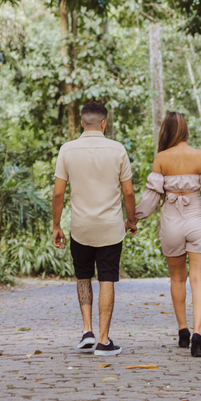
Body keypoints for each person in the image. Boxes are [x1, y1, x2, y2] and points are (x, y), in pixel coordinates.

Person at [135, 111, 201, 357]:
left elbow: (151, 196)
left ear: (165, 131)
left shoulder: (161, 159)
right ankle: (198, 333)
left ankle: (183, 330)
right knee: (199, 281)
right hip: (197, 219)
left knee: (178, 279)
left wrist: (134, 217)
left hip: (172, 222)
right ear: (185, 130)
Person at [52, 101, 136, 356]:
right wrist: (131, 220)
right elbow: (129, 191)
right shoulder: (117, 149)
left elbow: (58, 194)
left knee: (83, 276)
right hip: (110, 227)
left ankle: (87, 331)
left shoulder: (67, 150)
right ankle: (103, 340)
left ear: (81, 122)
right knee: (107, 278)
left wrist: (56, 225)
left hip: (81, 227)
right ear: (104, 123)